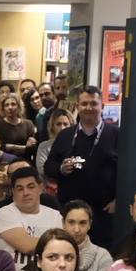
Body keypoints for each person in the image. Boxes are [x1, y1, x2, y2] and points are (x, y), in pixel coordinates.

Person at [45, 86, 119, 247]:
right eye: (84, 104)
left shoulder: (116, 135)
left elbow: (125, 172)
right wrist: (61, 169)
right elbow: (48, 167)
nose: (89, 108)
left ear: (102, 106)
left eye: (94, 104)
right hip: (70, 212)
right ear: (77, 106)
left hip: (104, 213)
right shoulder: (65, 135)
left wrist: (118, 199)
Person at [0, 167, 63, 271]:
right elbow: (27, 246)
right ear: (13, 192)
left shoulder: (55, 216)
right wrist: (55, 242)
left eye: (31, 187)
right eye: (20, 189)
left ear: (40, 188)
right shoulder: (5, 213)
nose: (25, 193)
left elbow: (63, 247)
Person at [61, 200, 113, 271]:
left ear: (89, 224)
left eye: (82, 223)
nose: (77, 229)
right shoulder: (52, 254)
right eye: (71, 222)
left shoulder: (102, 256)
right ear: (63, 223)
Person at [0, 93, 37, 161]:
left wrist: (11, 147)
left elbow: (32, 148)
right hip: (5, 163)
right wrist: (24, 148)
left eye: (13, 104)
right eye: (6, 105)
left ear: (19, 107)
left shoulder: (28, 124)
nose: (10, 107)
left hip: (25, 162)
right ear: (3, 108)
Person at [36, 108, 73, 178]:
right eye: (58, 124)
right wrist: (60, 169)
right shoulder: (44, 146)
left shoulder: (76, 144)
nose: (62, 128)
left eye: (65, 124)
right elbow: (41, 170)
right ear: (52, 126)